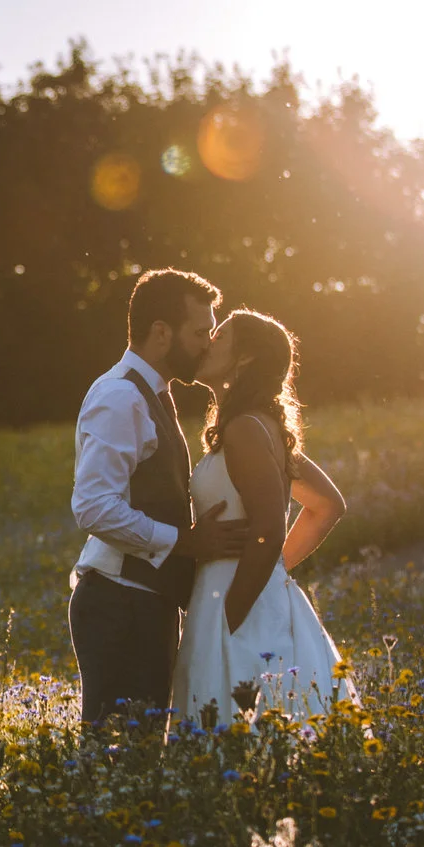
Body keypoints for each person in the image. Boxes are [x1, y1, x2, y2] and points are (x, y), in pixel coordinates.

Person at [68, 269, 250, 733]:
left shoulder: (153, 393)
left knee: (139, 755)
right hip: (119, 606)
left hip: (143, 604)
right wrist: (184, 542)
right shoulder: (120, 396)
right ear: (162, 332)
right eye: (199, 332)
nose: (207, 344)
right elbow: (92, 506)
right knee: (117, 760)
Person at [171, 308, 356, 728]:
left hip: (235, 603)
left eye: (219, 337)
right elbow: (327, 504)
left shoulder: (246, 429)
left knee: (238, 727)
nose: (207, 341)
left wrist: (236, 608)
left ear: (246, 358)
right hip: (246, 592)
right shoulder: (257, 425)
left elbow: (271, 527)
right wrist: (273, 572)